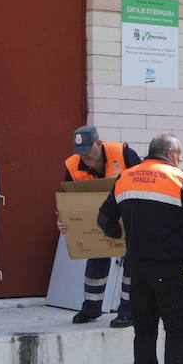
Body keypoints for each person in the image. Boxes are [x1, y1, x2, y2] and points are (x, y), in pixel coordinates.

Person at [97, 134, 183, 364]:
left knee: (144, 327)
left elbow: (104, 217)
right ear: (170, 153)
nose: (180, 160)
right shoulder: (179, 180)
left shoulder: (125, 178)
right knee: (177, 329)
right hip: (170, 268)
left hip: (136, 267)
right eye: (179, 155)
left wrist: (118, 234)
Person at [60, 125, 139, 328]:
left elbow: (141, 183)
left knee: (131, 262)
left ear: (98, 143)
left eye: (88, 150)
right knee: (96, 258)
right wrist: (63, 219)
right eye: (80, 153)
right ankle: (91, 309)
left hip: (128, 216)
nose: (85, 157)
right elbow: (69, 199)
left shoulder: (124, 154)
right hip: (98, 221)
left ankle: (128, 312)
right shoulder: (72, 165)